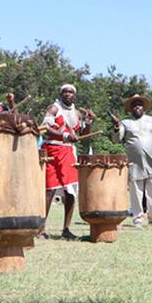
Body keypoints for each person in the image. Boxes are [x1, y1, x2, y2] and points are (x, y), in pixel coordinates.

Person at [113, 94, 152, 229]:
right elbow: (117, 139)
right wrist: (116, 127)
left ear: (144, 107)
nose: (137, 107)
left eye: (139, 104)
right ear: (131, 108)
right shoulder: (125, 123)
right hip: (135, 163)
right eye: (134, 105)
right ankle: (138, 219)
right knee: (136, 192)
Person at [42, 84, 90, 239]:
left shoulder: (77, 113)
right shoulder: (54, 109)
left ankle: (66, 229)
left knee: (70, 192)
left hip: (68, 152)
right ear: (60, 94)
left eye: (71, 92)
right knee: (49, 190)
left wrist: (88, 122)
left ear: (74, 95)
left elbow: (82, 134)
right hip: (52, 150)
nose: (68, 94)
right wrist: (64, 136)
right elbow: (45, 128)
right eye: (65, 92)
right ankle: (41, 229)